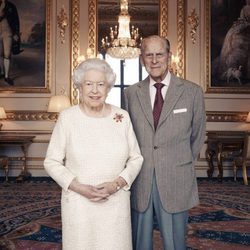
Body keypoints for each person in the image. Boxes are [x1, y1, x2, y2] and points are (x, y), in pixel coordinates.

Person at [44, 58, 143, 250]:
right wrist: (78, 187)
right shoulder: (68, 118)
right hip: (78, 202)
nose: (95, 90)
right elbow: (52, 161)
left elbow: (136, 158)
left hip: (115, 201)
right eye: (88, 84)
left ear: (108, 88)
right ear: (79, 87)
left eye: (101, 84)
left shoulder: (121, 117)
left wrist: (117, 184)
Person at [123, 35, 206, 250]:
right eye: (148, 55)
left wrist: (179, 160)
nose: (154, 60)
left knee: (175, 242)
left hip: (175, 176)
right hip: (140, 176)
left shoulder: (192, 92)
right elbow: (127, 136)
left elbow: (197, 136)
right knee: (139, 240)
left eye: (159, 54)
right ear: (142, 59)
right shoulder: (130, 94)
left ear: (169, 56)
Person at [0, 0, 20, 86]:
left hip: (7, 32)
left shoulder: (11, 6)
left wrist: (16, 33)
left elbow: (16, 20)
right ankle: (1, 72)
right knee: (0, 53)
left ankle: (7, 76)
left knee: (7, 54)